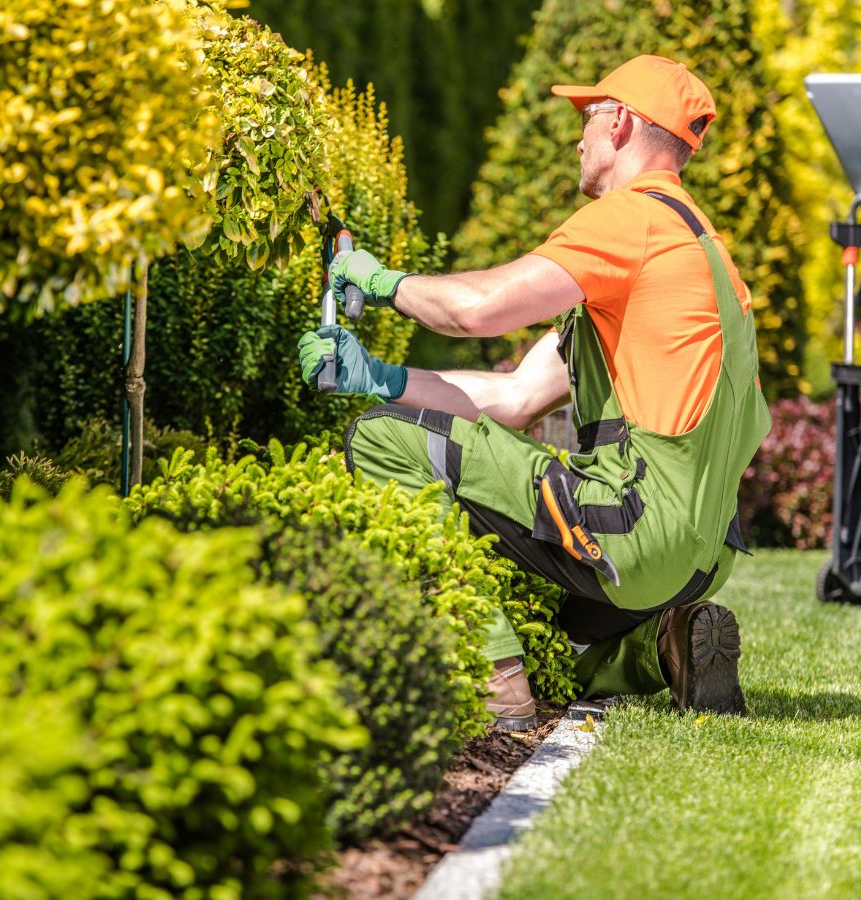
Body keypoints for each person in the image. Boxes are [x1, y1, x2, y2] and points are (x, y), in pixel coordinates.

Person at [298, 55, 771, 729]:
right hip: (699, 557)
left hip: (634, 529)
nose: (577, 137)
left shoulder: (631, 219)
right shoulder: (699, 250)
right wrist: (379, 378)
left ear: (622, 125)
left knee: (378, 439)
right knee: (548, 627)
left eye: (587, 117)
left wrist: (382, 282)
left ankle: (492, 681)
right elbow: (516, 397)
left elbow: (476, 311)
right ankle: (662, 647)